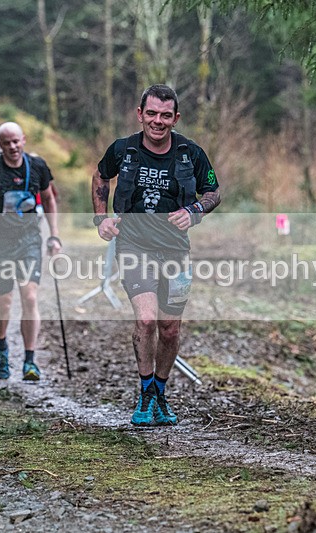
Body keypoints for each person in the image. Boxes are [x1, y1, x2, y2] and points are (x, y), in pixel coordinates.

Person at [91, 84, 220, 426]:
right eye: (151, 114)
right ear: (140, 114)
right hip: (134, 246)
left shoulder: (190, 153)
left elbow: (213, 191)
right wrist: (101, 218)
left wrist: (194, 210)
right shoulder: (123, 149)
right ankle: (146, 392)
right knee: (146, 320)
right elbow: (101, 176)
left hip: (176, 250)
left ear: (175, 118)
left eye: (165, 115)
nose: (158, 121)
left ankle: (160, 393)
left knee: (170, 329)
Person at [0, 122, 61, 381]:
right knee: (4, 301)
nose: (12, 147)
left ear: (24, 140)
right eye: (7, 143)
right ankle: (3, 347)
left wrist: (54, 236)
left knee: (30, 297)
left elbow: (49, 198)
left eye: (16, 141)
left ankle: (30, 360)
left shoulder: (37, 166)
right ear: (0, 145)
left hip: (28, 239)